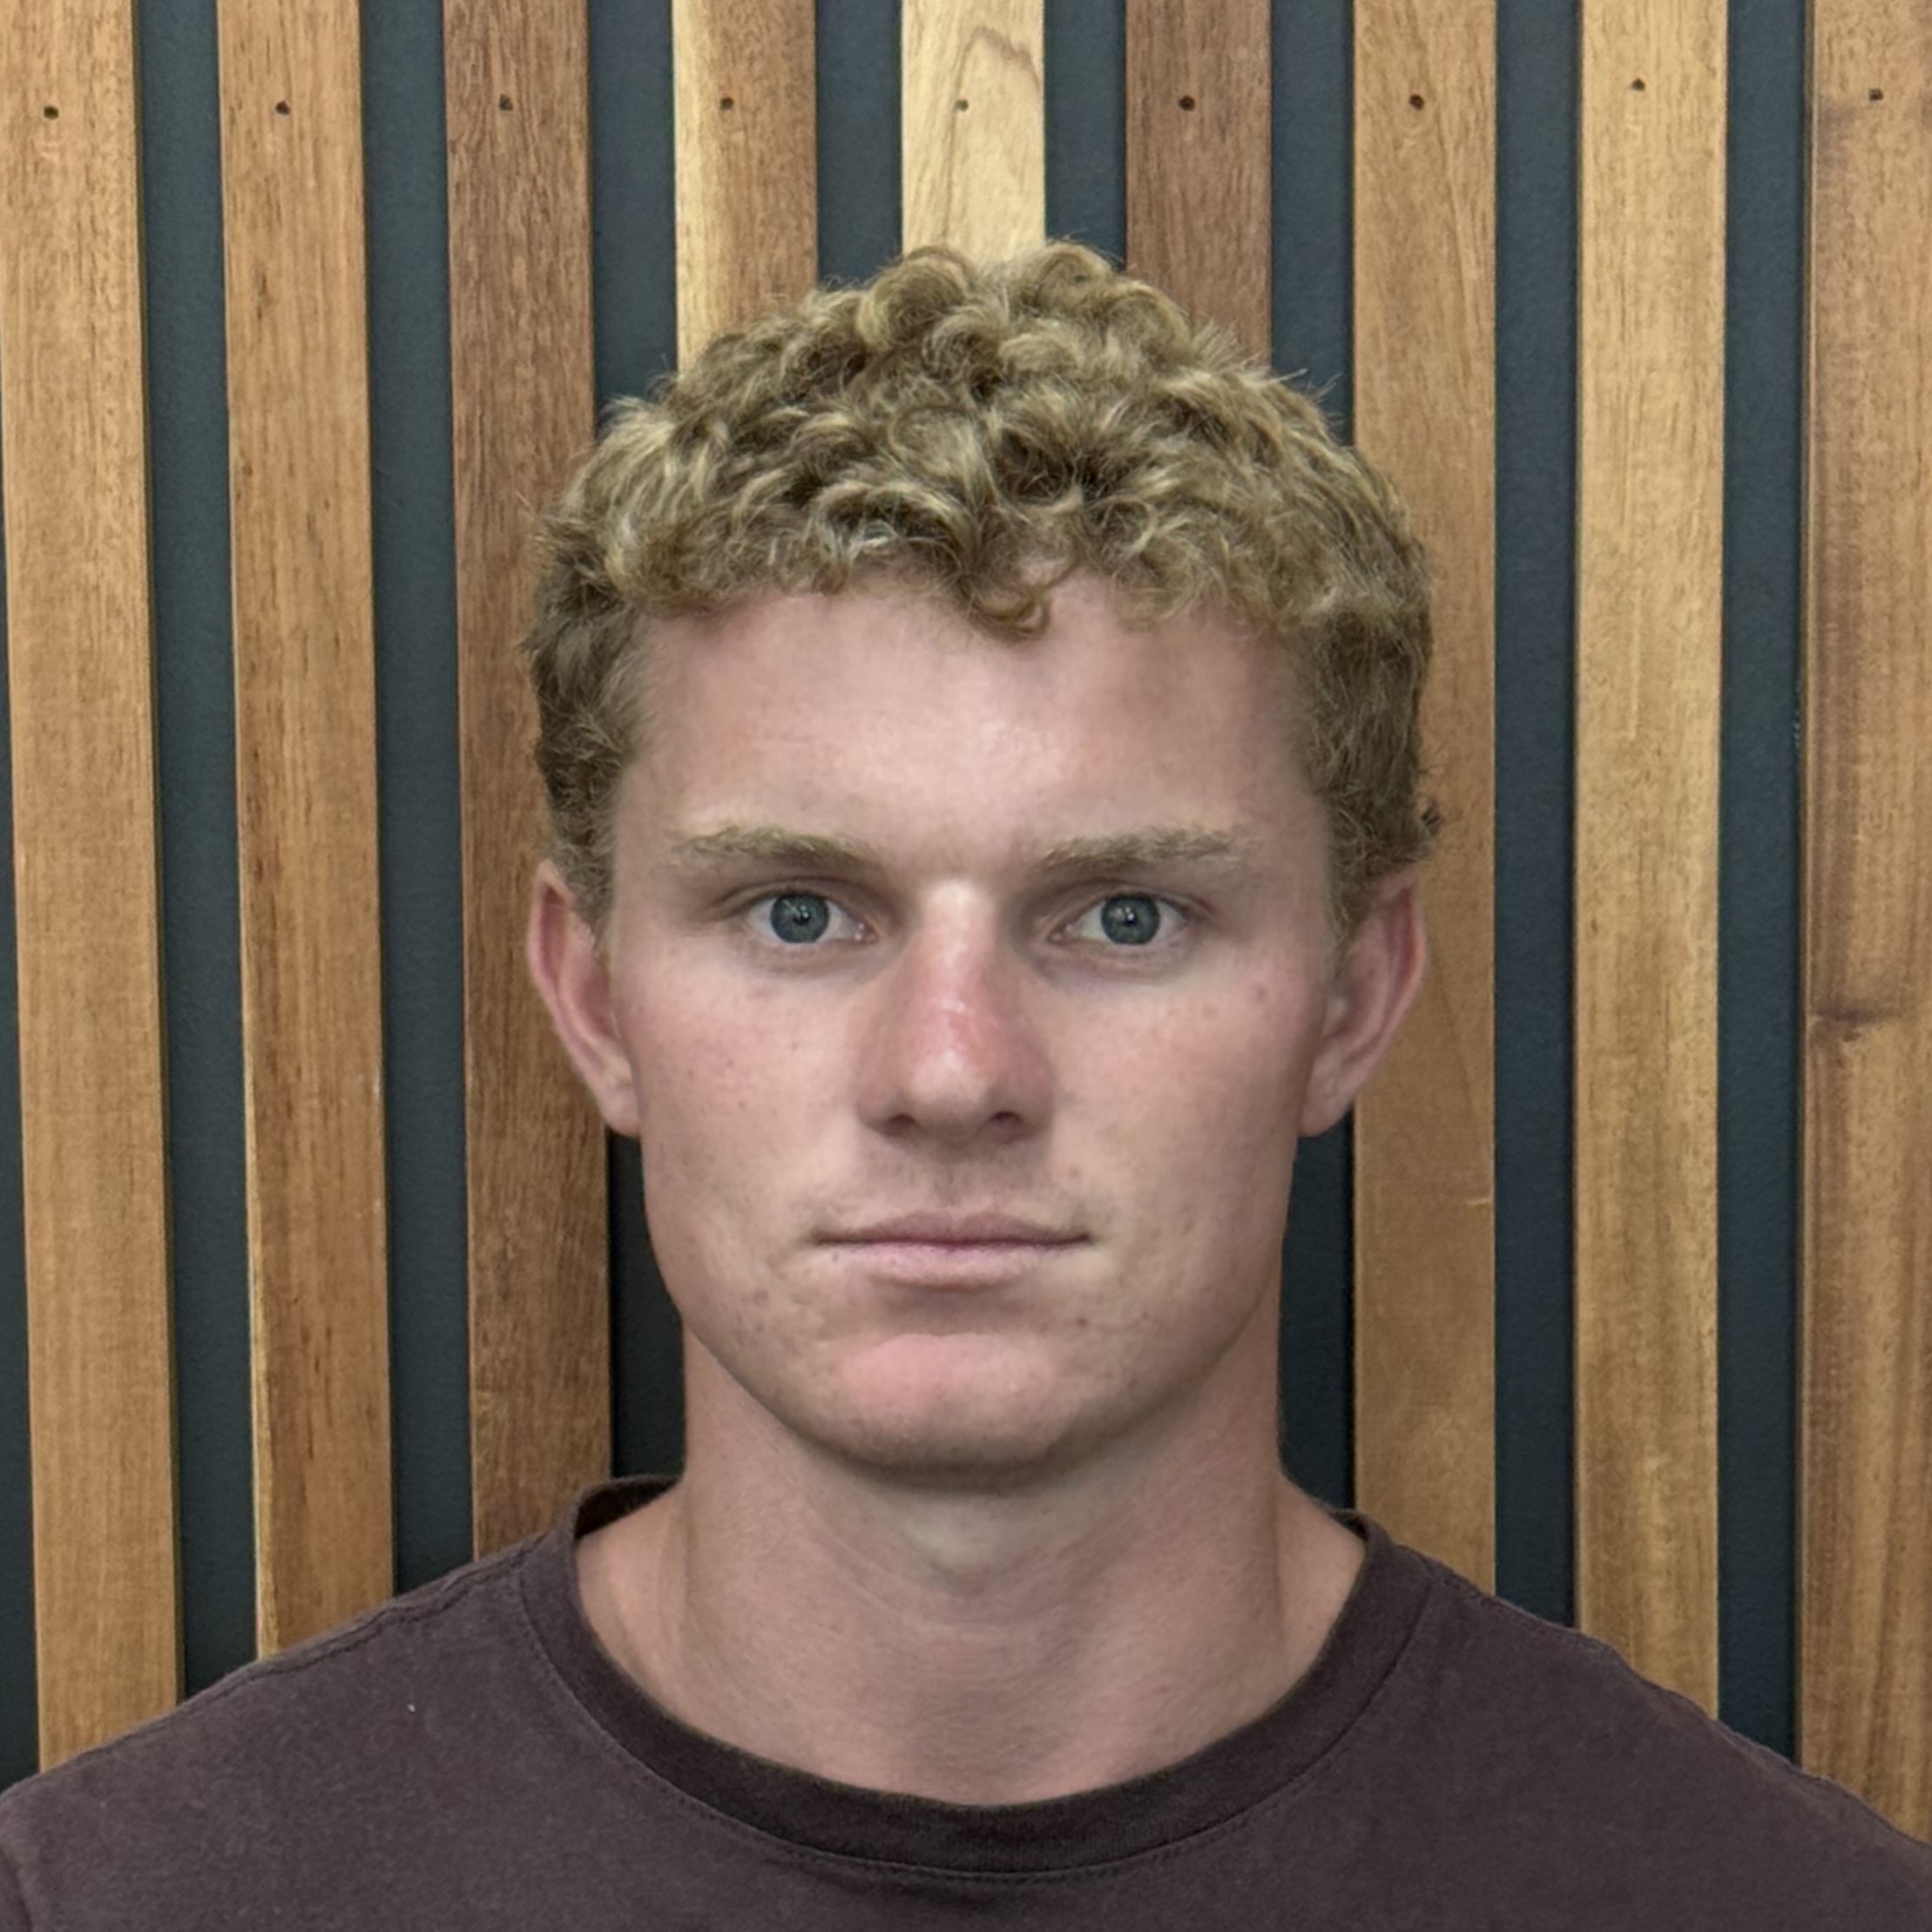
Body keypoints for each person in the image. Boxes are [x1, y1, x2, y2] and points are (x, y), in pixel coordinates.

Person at [2, 244, 1926, 1929]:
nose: (947, 1071)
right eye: (794, 912)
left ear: (1353, 998)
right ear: (591, 997)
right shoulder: (122, 1897)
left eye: (1123, 917)